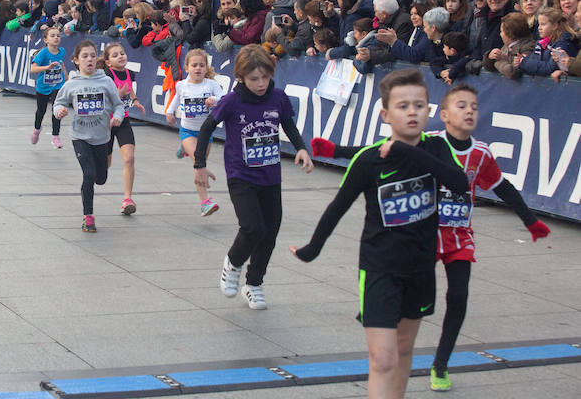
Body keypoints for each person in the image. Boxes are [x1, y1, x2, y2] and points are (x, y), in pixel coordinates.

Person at [311, 84, 551, 392]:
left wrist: (530, 221)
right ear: (445, 115)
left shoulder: (481, 153)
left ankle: (441, 363)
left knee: (459, 295)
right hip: (425, 233)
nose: (469, 112)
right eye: (462, 106)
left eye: (474, 107)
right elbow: (378, 151)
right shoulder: (430, 143)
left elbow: (502, 187)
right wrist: (336, 151)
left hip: (459, 236)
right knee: (402, 317)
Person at [291, 69, 469, 399]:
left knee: (403, 352)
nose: (412, 112)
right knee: (383, 358)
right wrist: (313, 247)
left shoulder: (437, 149)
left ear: (429, 111)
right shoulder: (368, 159)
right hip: (379, 269)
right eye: (403, 106)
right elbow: (338, 206)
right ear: (386, 114)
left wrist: (407, 152)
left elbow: (460, 184)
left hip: (420, 269)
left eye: (419, 105)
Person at [194, 45, 313, 310]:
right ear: (241, 78)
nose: (260, 84)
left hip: (271, 176)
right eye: (253, 79)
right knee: (252, 227)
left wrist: (302, 148)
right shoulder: (232, 101)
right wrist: (199, 164)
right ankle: (232, 264)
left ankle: (254, 284)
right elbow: (206, 129)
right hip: (241, 175)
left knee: (270, 233)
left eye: (265, 77)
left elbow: (289, 125)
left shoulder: (278, 98)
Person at [53, 41, 125, 233]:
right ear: (76, 61)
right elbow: (58, 103)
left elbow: (118, 104)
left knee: (101, 178)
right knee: (89, 175)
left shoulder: (106, 81)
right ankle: (88, 216)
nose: (90, 59)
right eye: (84, 56)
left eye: (93, 55)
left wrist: (117, 116)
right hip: (80, 136)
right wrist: (59, 110)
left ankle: (93, 190)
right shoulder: (71, 84)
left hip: (101, 137)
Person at [166, 49, 225, 216]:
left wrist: (214, 100)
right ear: (187, 68)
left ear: (206, 68)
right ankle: (205, 202)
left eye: (201, 65)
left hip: (206, 133)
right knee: (199, 164)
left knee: (200, 162)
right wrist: (170, 112)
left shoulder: (211, 85)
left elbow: (224, 99)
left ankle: (184, 149)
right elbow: (176, 98)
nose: (198, 68)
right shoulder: (182, 85)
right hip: (187, 130)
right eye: (194, 65)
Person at [100, 43, 145, 215]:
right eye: (115, 55)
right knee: (106, 163)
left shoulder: (129, 73)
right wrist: (117, 97)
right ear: (108, 62)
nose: (121, 56)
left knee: (129, 159)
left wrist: (135, 101)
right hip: (108, 122)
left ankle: (127, 199)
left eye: (123, 53)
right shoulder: (106, 76)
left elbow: (130, 89)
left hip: (123, 121)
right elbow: (104, 98)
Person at [29, 27, 66, 149]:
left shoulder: (62, 51)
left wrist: (66, 78)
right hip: (43, 87)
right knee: (41, 111)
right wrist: (47, 68)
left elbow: (61, 64)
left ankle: (55, 136)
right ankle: (36, 130)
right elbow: (33, 69)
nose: (56, 37)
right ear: (46, 39)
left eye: (58, 35)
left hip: (57, 85)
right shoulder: (43, 54)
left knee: (57, 110)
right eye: (53, 36)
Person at [517, 7, 579, 77]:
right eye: (539, 24)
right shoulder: (541, 43)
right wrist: (523, 60)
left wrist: (524, 62)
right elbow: (536, 62)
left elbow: (549, 69)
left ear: (555, 26)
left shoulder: (564, 43)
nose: (539, 28)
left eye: (543, 24)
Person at [483, 12, 535, 79]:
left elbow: (513, 72)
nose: (500, 34)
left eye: (502, 31)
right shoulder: (506, 46)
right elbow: (489, 67)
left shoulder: (528, 47)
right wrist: (490, 57)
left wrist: (497, 61)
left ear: (510, 34)